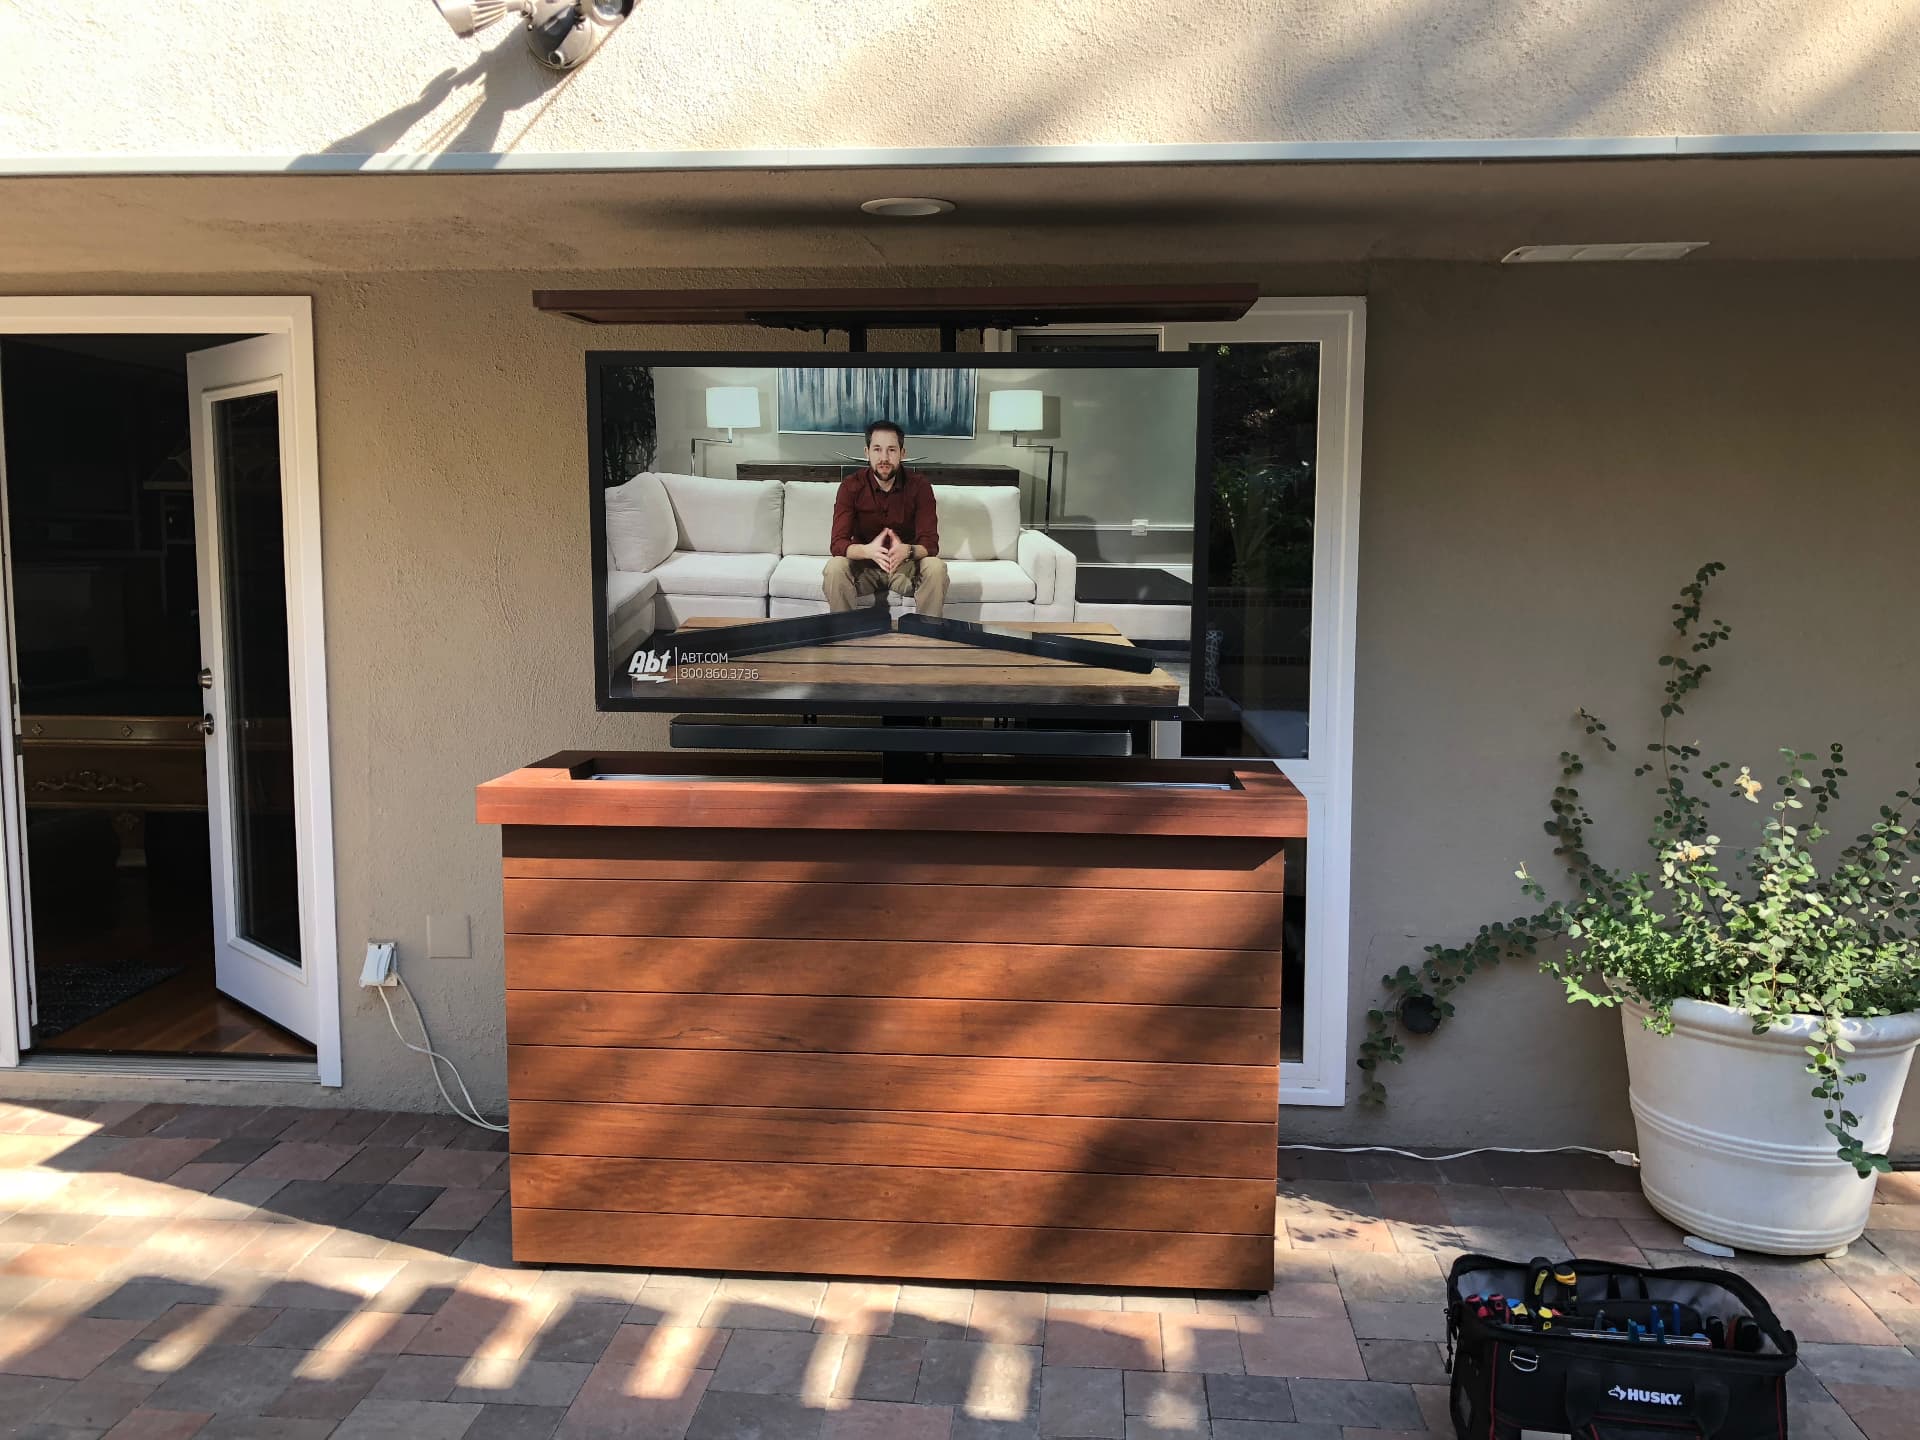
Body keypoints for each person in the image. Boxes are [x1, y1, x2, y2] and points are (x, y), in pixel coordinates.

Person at [823, 419, 949, 617]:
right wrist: (868, 551)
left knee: (936, 566)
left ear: (902, 453)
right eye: (877, 449)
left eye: (891, 450)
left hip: (905, 569)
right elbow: (838, 544)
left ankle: (929, 637)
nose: (884, 458)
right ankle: (844, 637)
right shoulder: (850, 486)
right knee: (835, 567)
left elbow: (931, 544)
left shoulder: (920, 486)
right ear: (867, 453)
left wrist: (907, 550)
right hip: (864, 569)